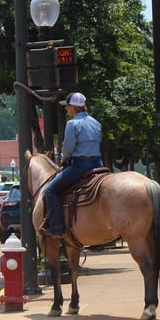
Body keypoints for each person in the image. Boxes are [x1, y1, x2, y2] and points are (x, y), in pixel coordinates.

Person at [41, 92, 103, 238]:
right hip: (98, 163)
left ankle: (57, 227)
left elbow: (68, 148)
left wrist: (64, 158)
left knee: (50, 191)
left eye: (67, 106)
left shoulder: (73, 124)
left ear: (73, 107)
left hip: (81, 165)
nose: (66, 109)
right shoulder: (96, 123)